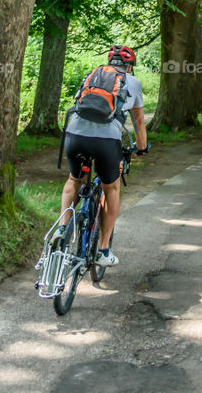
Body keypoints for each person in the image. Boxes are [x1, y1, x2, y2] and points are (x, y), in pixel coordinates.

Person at [58, 44, 148, 267]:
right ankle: (103, 250)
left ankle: (62, 228)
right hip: (106, 142)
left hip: (74, 135)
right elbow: (138, 121)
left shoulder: (92, 74)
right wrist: (142, 147)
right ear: (129, 66)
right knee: (111, 188)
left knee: (73, 180)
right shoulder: (132, 82)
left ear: (109, 62)